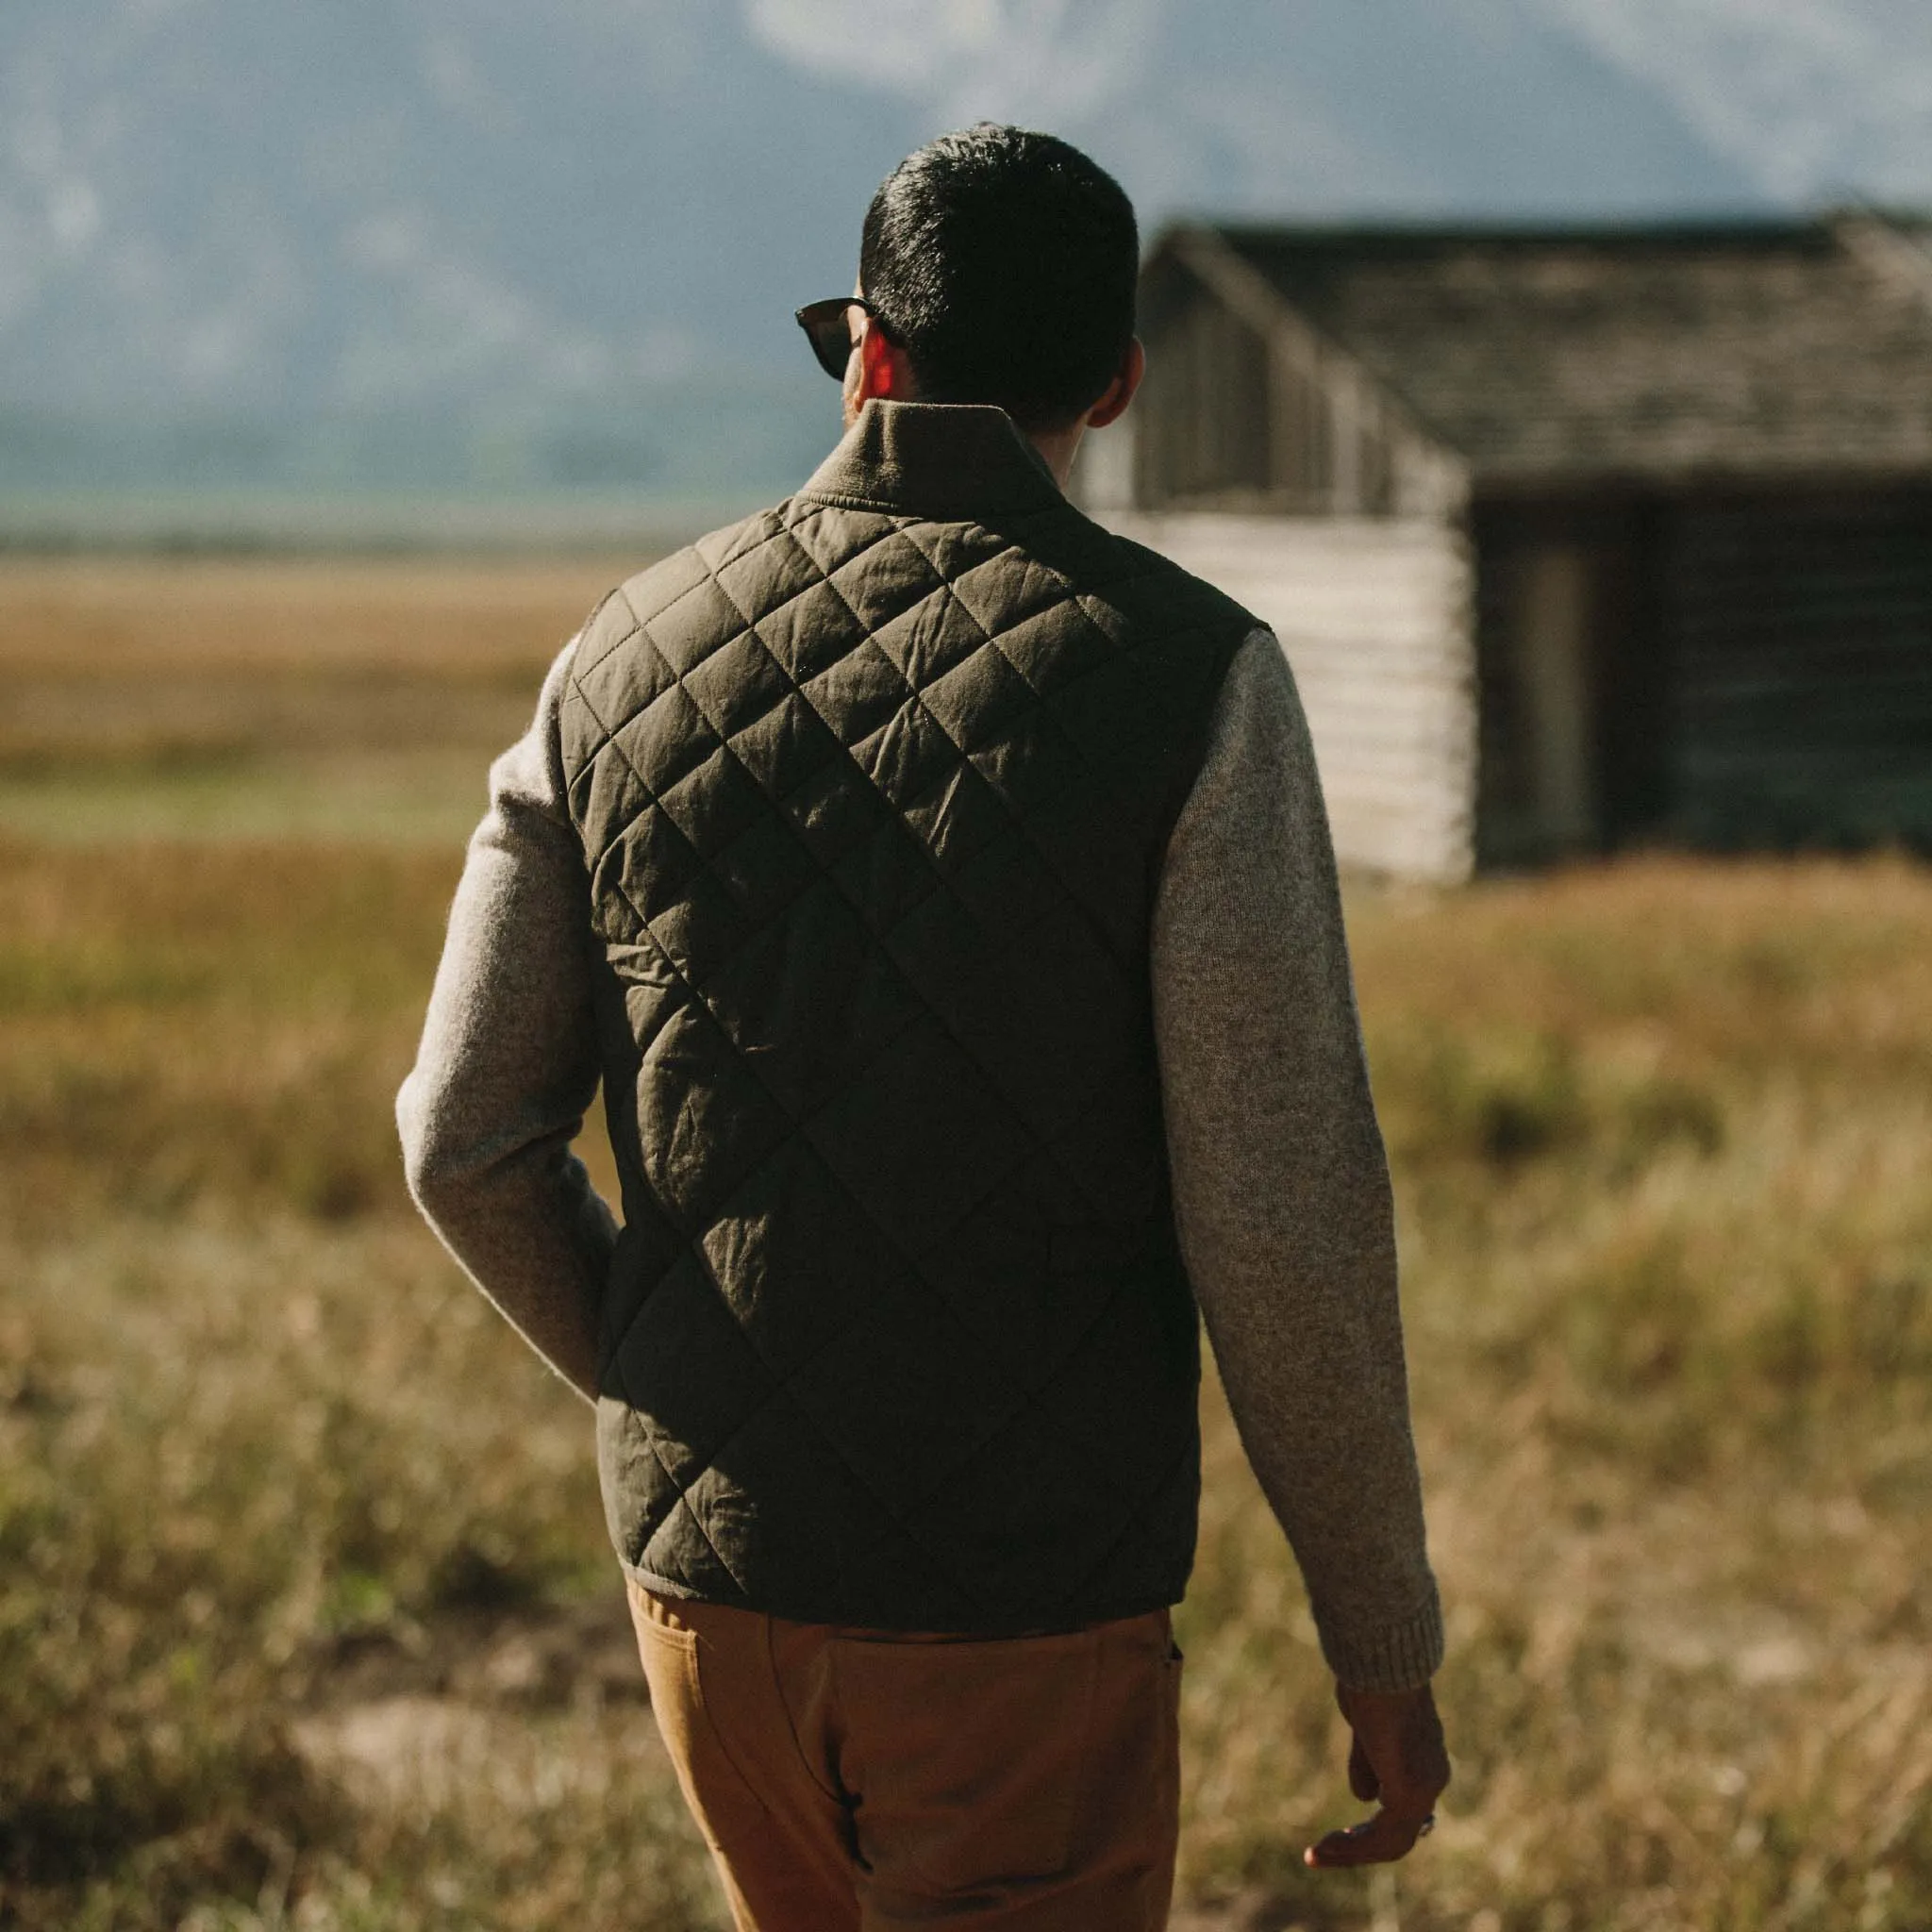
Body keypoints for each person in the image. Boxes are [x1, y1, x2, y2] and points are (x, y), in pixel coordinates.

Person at [397, 124, 1448, 1932]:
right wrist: (1382, 1643)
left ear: (866, 347)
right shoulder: (1193, 676)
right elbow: (1281, 1216)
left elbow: (460, 1139)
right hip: (1019, 1609)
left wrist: (689, 1397)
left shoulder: (613, 656)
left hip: (703, 1597)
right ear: (1114, 384)